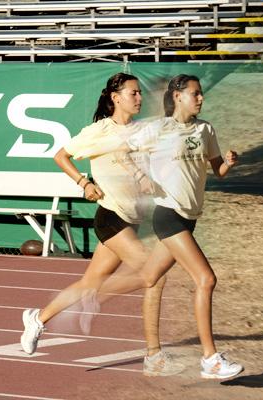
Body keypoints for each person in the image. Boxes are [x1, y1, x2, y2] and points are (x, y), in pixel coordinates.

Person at [20, 72, 183, 377]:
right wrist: (84, 182)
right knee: (154, 275)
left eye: (139, 93)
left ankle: (38, 319)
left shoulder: (140, 131)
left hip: (131, 220)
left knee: (88, 283)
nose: (138, 99)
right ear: (115, 97)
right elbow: (61, 155)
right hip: (110, 217)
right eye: (132, 93)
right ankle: (154, 356)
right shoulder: (98, 131)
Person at [96, 74, 244, 379]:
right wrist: (141, 177)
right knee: (206, 279)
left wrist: (229, 161)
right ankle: (211, 359)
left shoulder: (206, 129)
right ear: (177, 96)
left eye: (201, 94)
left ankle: (91, 297)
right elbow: (124, 153)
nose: (201, 98)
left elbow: (219, 171)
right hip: (169, 215)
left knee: (149, 276)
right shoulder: (159, 128)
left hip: (190, 217)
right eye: (195, 94)